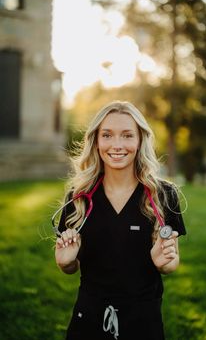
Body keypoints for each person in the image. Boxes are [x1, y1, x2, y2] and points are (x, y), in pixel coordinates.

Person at [54, 101, 186, 340]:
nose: (117, 145)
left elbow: (171, 264)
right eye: (107, 135)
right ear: (96, 141)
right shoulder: (78, 197)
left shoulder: (164, 195)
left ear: (139, 141)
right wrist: (66, 264)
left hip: (143, 321)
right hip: (89, 320)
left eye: (127, 135)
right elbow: (71, 267)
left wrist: (163, 263)